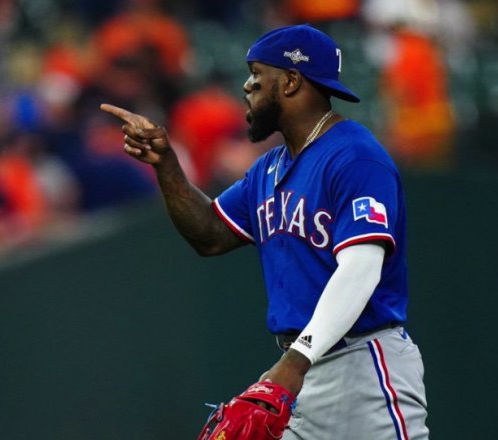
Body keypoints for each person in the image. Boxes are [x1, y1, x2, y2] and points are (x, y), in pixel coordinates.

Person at [102, 24, 428, 439]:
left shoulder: (355, 156)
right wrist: (166, 166)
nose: (247, 86)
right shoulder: (269, 170)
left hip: (361, 367)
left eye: (258, 74)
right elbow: (210, 234)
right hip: (300, 373)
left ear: (291, 81)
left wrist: (294, 363)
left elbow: (361, 269)